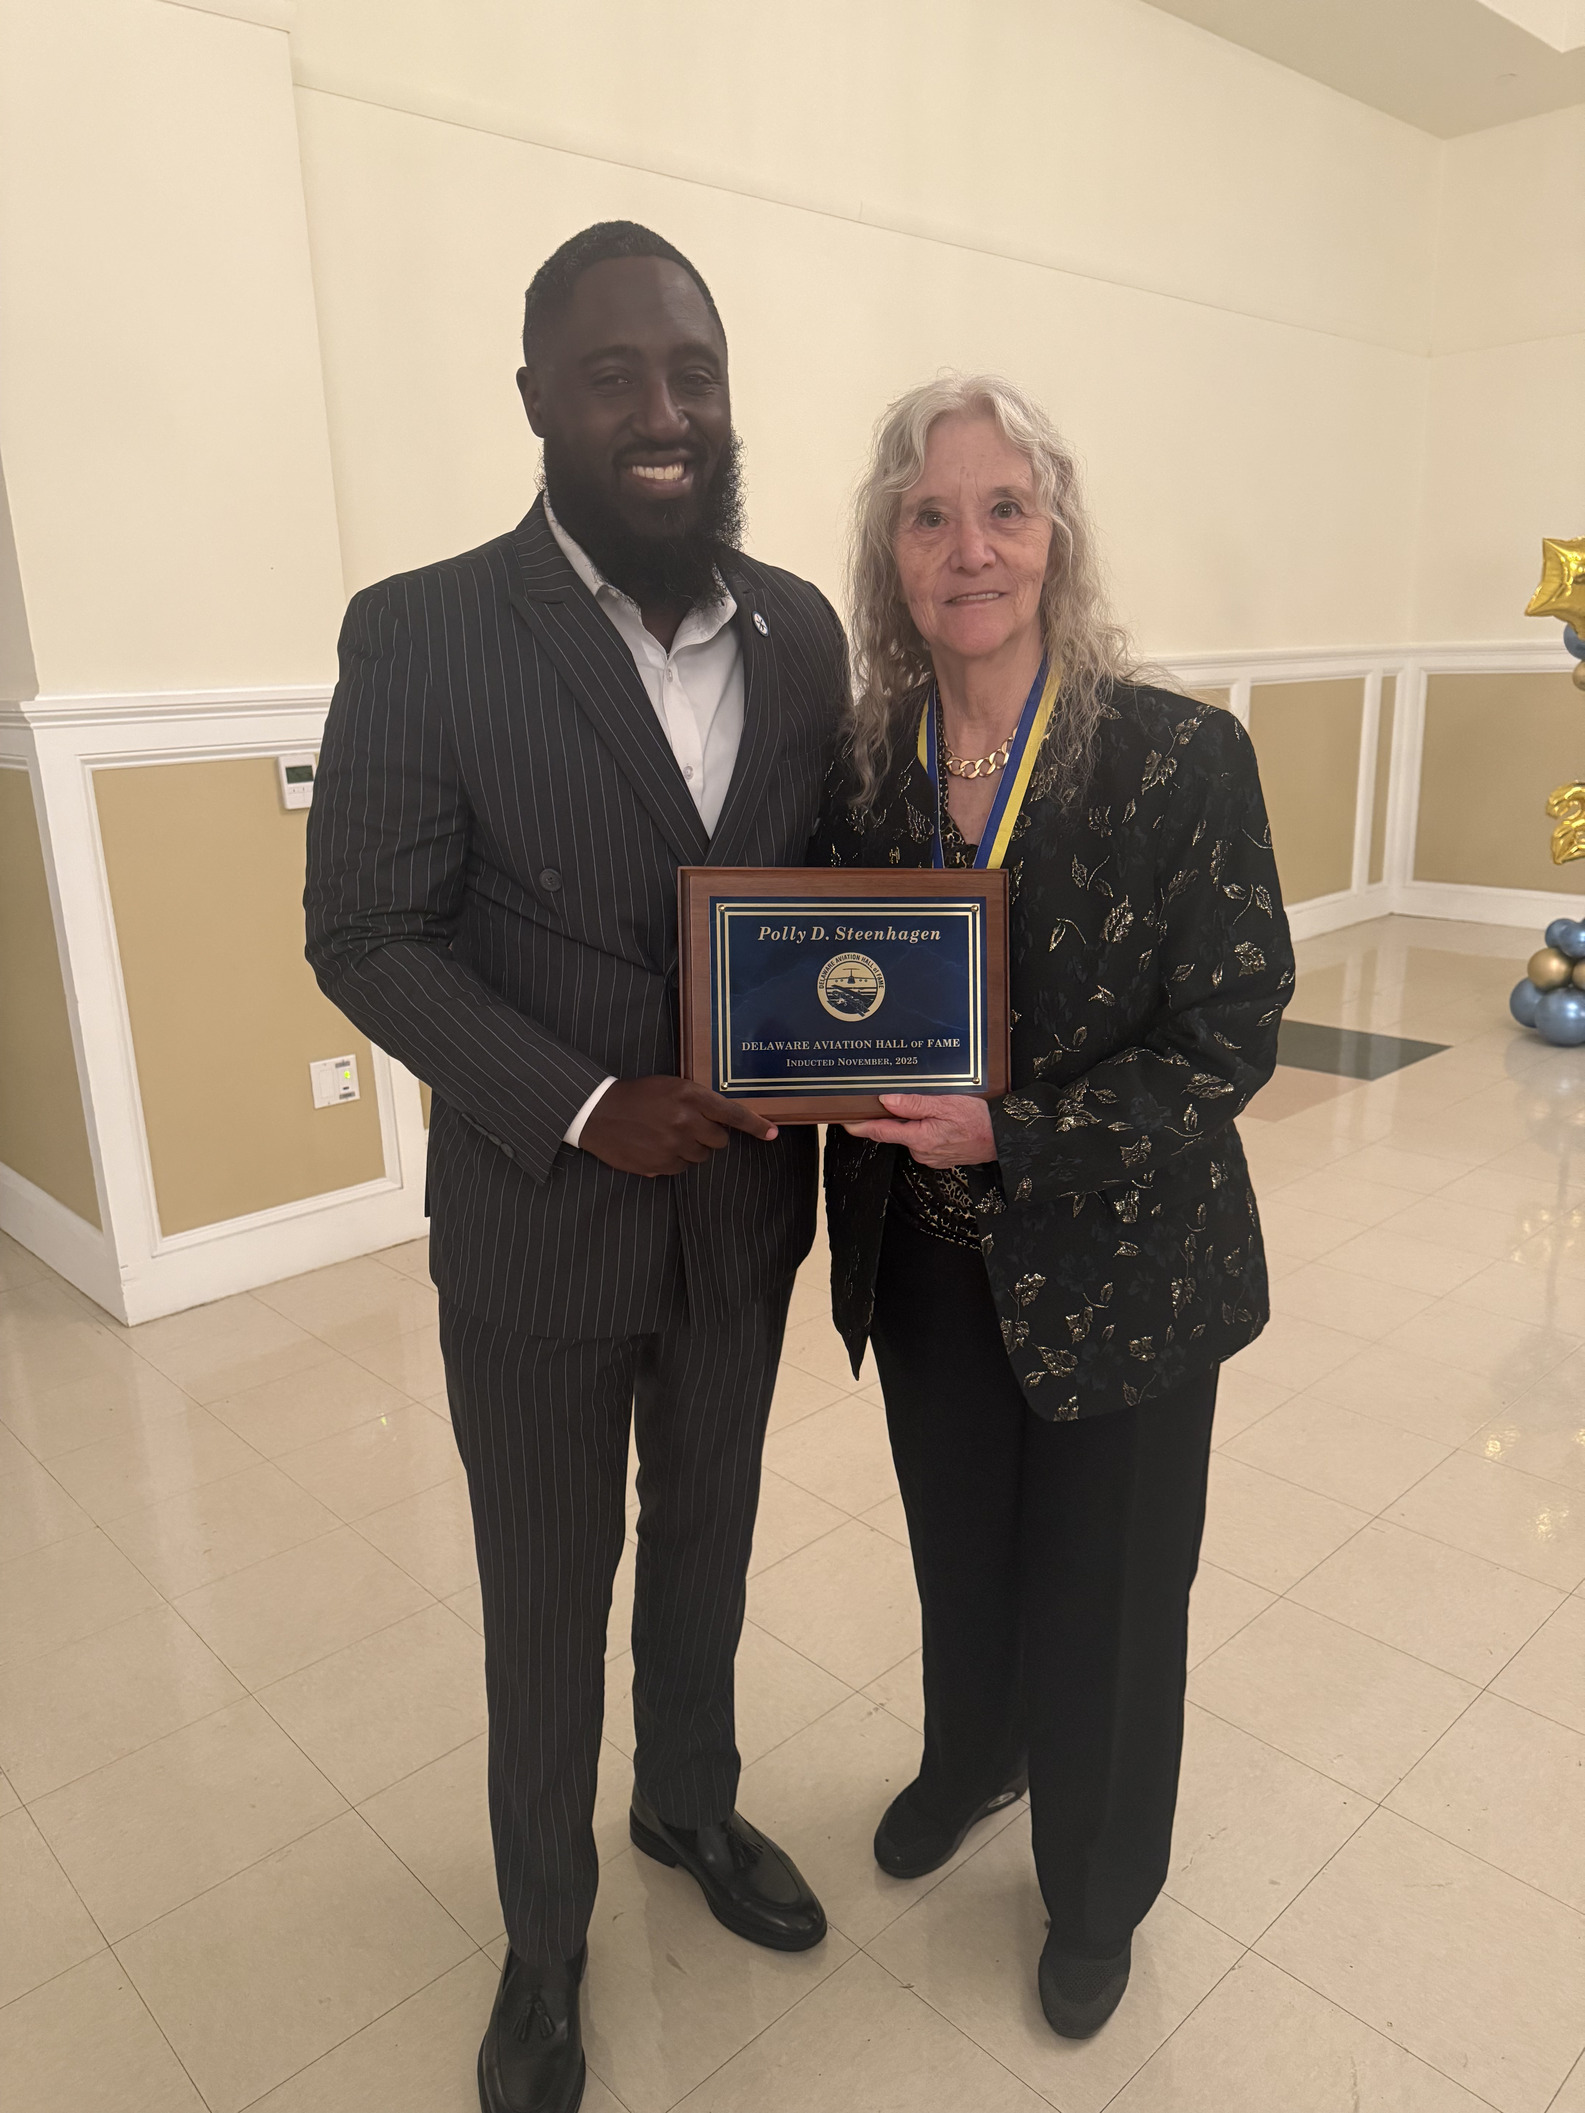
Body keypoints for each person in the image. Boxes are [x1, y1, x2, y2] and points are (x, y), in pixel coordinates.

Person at [306, 222, 847, 2113]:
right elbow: (366, 935)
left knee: (708, 1542)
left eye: (692, 371)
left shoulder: (797, 626)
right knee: (545, 1587)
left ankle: (685, 1809)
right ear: (535, 397)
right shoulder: (426, 628)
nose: (664, 411)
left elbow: (824, 894)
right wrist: (579, 1099)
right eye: (614, 374)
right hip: (539, 1225)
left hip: (739, 1219)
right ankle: (543, 1940)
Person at [814, 375, 1293, 2040]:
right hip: (929, 1266)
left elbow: (1230, 1035)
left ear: (1056, 534)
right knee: (964, 1561)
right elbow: (813, 988)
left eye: (1002, 508)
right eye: (930, 513)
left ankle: (1094, 1892)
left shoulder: (1173, 758)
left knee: (1106, 1597)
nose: (969, 547)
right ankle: (974, 1757)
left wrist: (1012, 1133)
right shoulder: (866, 763)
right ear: (891, 550)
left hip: (1125, 1273)